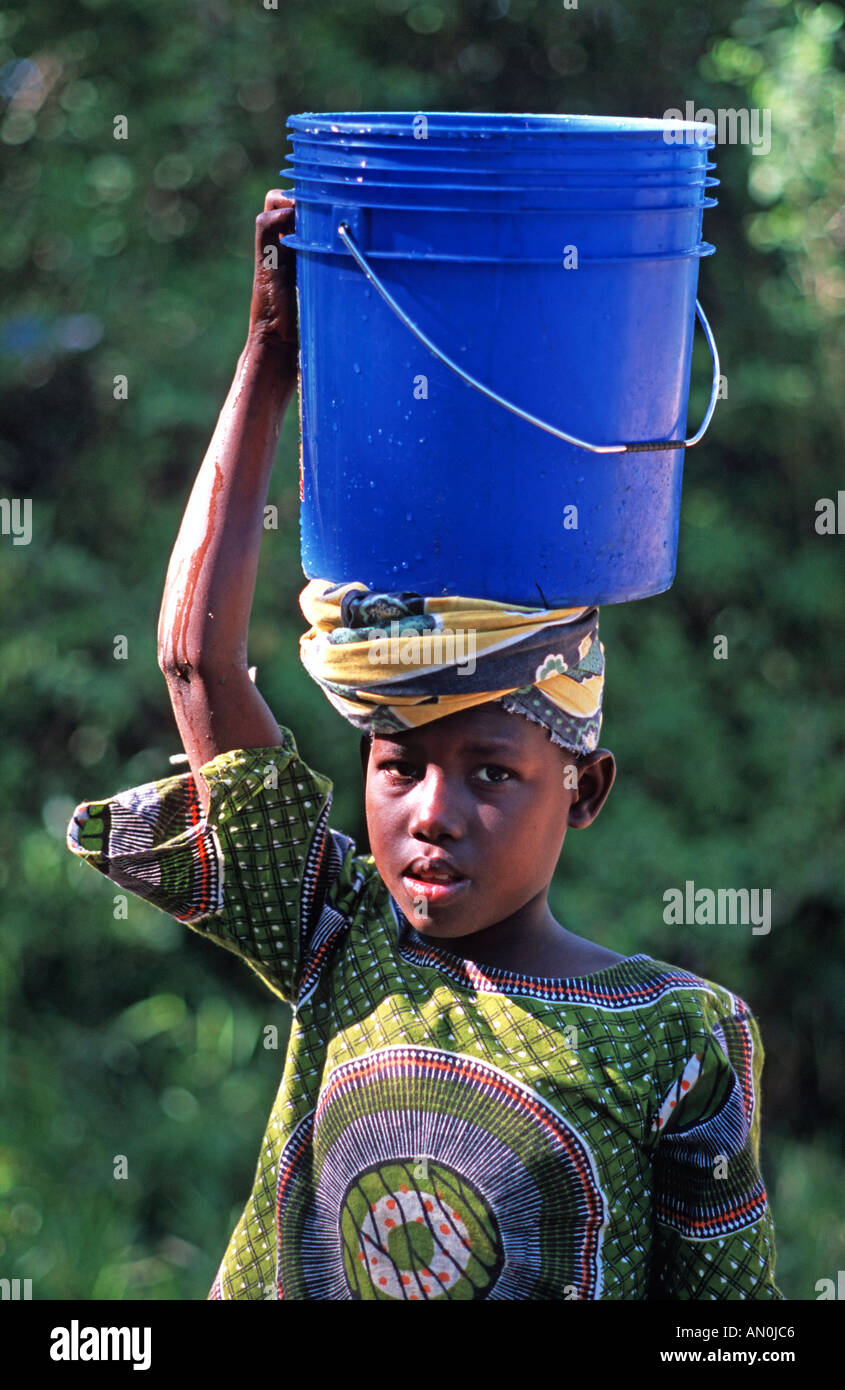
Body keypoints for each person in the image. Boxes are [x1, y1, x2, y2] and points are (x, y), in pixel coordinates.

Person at [66, 190, 783, 1301]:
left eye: (491, 770)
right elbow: (193, 665)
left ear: (583, 787)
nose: (430, 813)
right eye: (397, 765)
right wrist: (268, 358)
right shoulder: (334, 938)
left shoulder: (679, 1038)